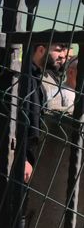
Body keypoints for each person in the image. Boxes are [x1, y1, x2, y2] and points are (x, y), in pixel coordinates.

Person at [20, 41, 69, 182]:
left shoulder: (42, 76)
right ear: (41, 49)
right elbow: (14, 120)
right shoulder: (22, 77)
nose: (63, 57)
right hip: (22, 155)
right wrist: (22, 158)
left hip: (34, 153)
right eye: (58, 50)